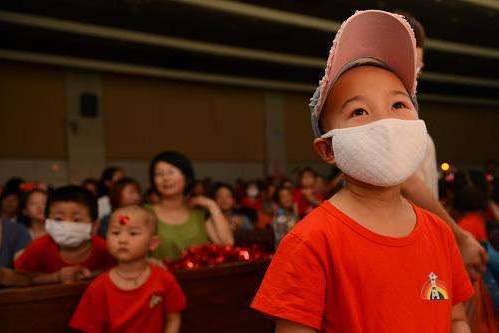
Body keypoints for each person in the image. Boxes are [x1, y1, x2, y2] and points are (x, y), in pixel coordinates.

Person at [251, 10, 473, 332]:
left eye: (399, 105)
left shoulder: (439, 233)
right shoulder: (310, 242)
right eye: (359, 110)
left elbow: (456, 318)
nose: (386, 122)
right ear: (328, 148)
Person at [396, 12, 487, 282]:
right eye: (410, 65)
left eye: (419, 69)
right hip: (406, 245)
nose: (414, 77)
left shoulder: (407, 107)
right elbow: (408, 181)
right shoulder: (391, 110)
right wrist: (458, 237)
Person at [70, 205, 186, 333]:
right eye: (115, 233)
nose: (122, 240)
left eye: (133, 233)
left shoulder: (164, 279)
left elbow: (173, 318)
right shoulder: (99, 287)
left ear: (153, 243)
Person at [15, 186, 115, 284]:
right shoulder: (39, 247)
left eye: (76, 220)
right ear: (48, 221)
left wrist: (90, 275)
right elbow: (21, 277)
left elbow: (116, 270)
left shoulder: (102, 247)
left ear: (94, 225)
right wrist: (55, 277)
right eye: (58, 219)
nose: (67, 225)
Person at [147, 151, 233, 261]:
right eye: (159, 174)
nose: (165, 178)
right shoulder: (146, 213)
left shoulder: (199, 213)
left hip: (200, 277)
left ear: (187, 178)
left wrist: (212, 206)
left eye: (171, 172)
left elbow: (227, 244)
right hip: (161, 277)